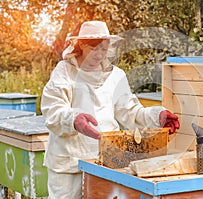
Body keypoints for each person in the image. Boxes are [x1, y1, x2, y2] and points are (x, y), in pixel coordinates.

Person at [41, 20, 180, 199]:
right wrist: (74, 120)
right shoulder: (64, 71)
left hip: (106, 162)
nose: (100, 54)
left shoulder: (116, 76)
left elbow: (131, 111)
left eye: (104, 49)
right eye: (94, 48)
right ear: (82, 45)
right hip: (69, 165)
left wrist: (156, 115)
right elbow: (53, 110)